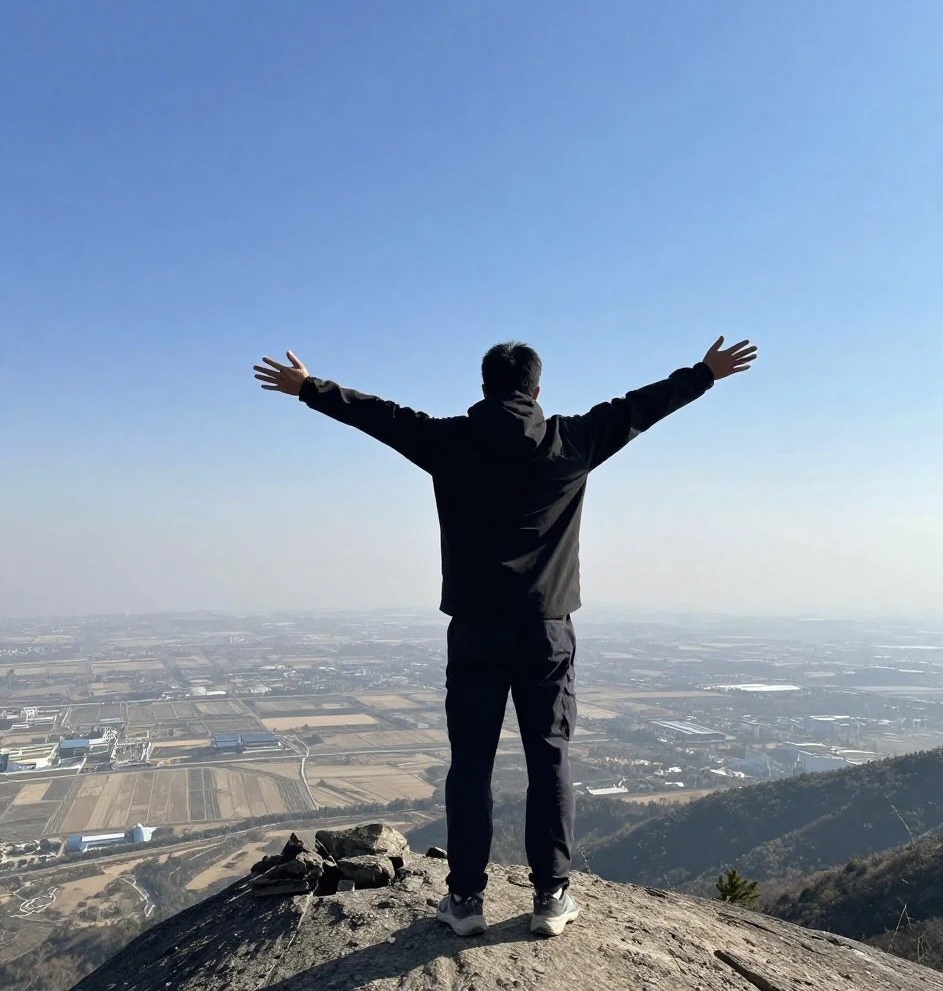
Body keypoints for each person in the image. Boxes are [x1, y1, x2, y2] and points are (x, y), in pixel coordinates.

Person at [253, 336, 756, 936]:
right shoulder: (573, 440)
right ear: (537, 390)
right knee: (549, 759)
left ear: (484, 387)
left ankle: (465, 899)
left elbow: (381, 417)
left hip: (474, 633)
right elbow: (639, 407)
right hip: (546, 633)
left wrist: (310, 388)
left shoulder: (449, 441)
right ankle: (551, 896)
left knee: (471, 766)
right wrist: (704, 373)